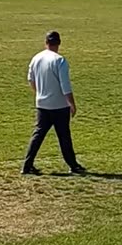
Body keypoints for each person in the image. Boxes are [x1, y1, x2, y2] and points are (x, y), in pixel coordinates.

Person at [21, 30, 86, 176]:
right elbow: (65, 86)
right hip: (59, 105)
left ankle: (27, 165)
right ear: (59, 43)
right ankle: (73, 165)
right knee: (64, 136)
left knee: (37, 135)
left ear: (46, 42)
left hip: (42, 104)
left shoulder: (36, 58)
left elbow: (31, 80)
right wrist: (72, 104)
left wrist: (39, 94)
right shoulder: (60, 60)